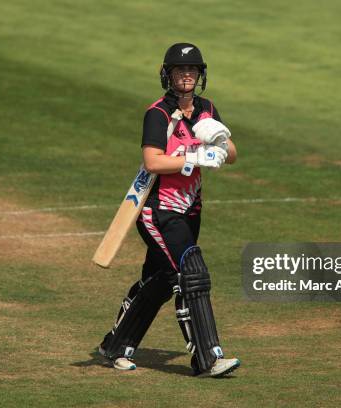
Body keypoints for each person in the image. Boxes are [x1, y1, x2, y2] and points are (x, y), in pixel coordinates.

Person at [98, 43, 240, 377]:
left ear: (200, 75)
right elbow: (152, 161)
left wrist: (220, 138)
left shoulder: (207, 108)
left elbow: (232, 155)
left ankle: (114, 346)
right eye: (180, 71)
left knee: (159, 279)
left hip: (190, 209)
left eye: (191, 70)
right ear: (168, 75)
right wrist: (192, 157)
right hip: (158, 210)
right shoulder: (158, 113)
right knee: (191, 272)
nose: (186, 76)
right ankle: (208, 358)